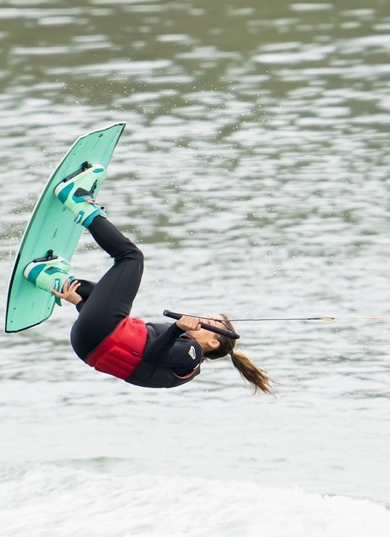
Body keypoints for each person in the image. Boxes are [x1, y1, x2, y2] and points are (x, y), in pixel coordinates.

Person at [23, 164, 272, 393]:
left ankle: (78, 201)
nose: (204, 317)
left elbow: (153, 355)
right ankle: (49, 278)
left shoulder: (192, 352)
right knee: (105, 295)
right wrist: (79, 303)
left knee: (131, 258)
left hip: (100, 332)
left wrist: (177, 328)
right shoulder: (184, 353)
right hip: (86, 343)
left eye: (212, 322)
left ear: (214, 343)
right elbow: (121, 351)